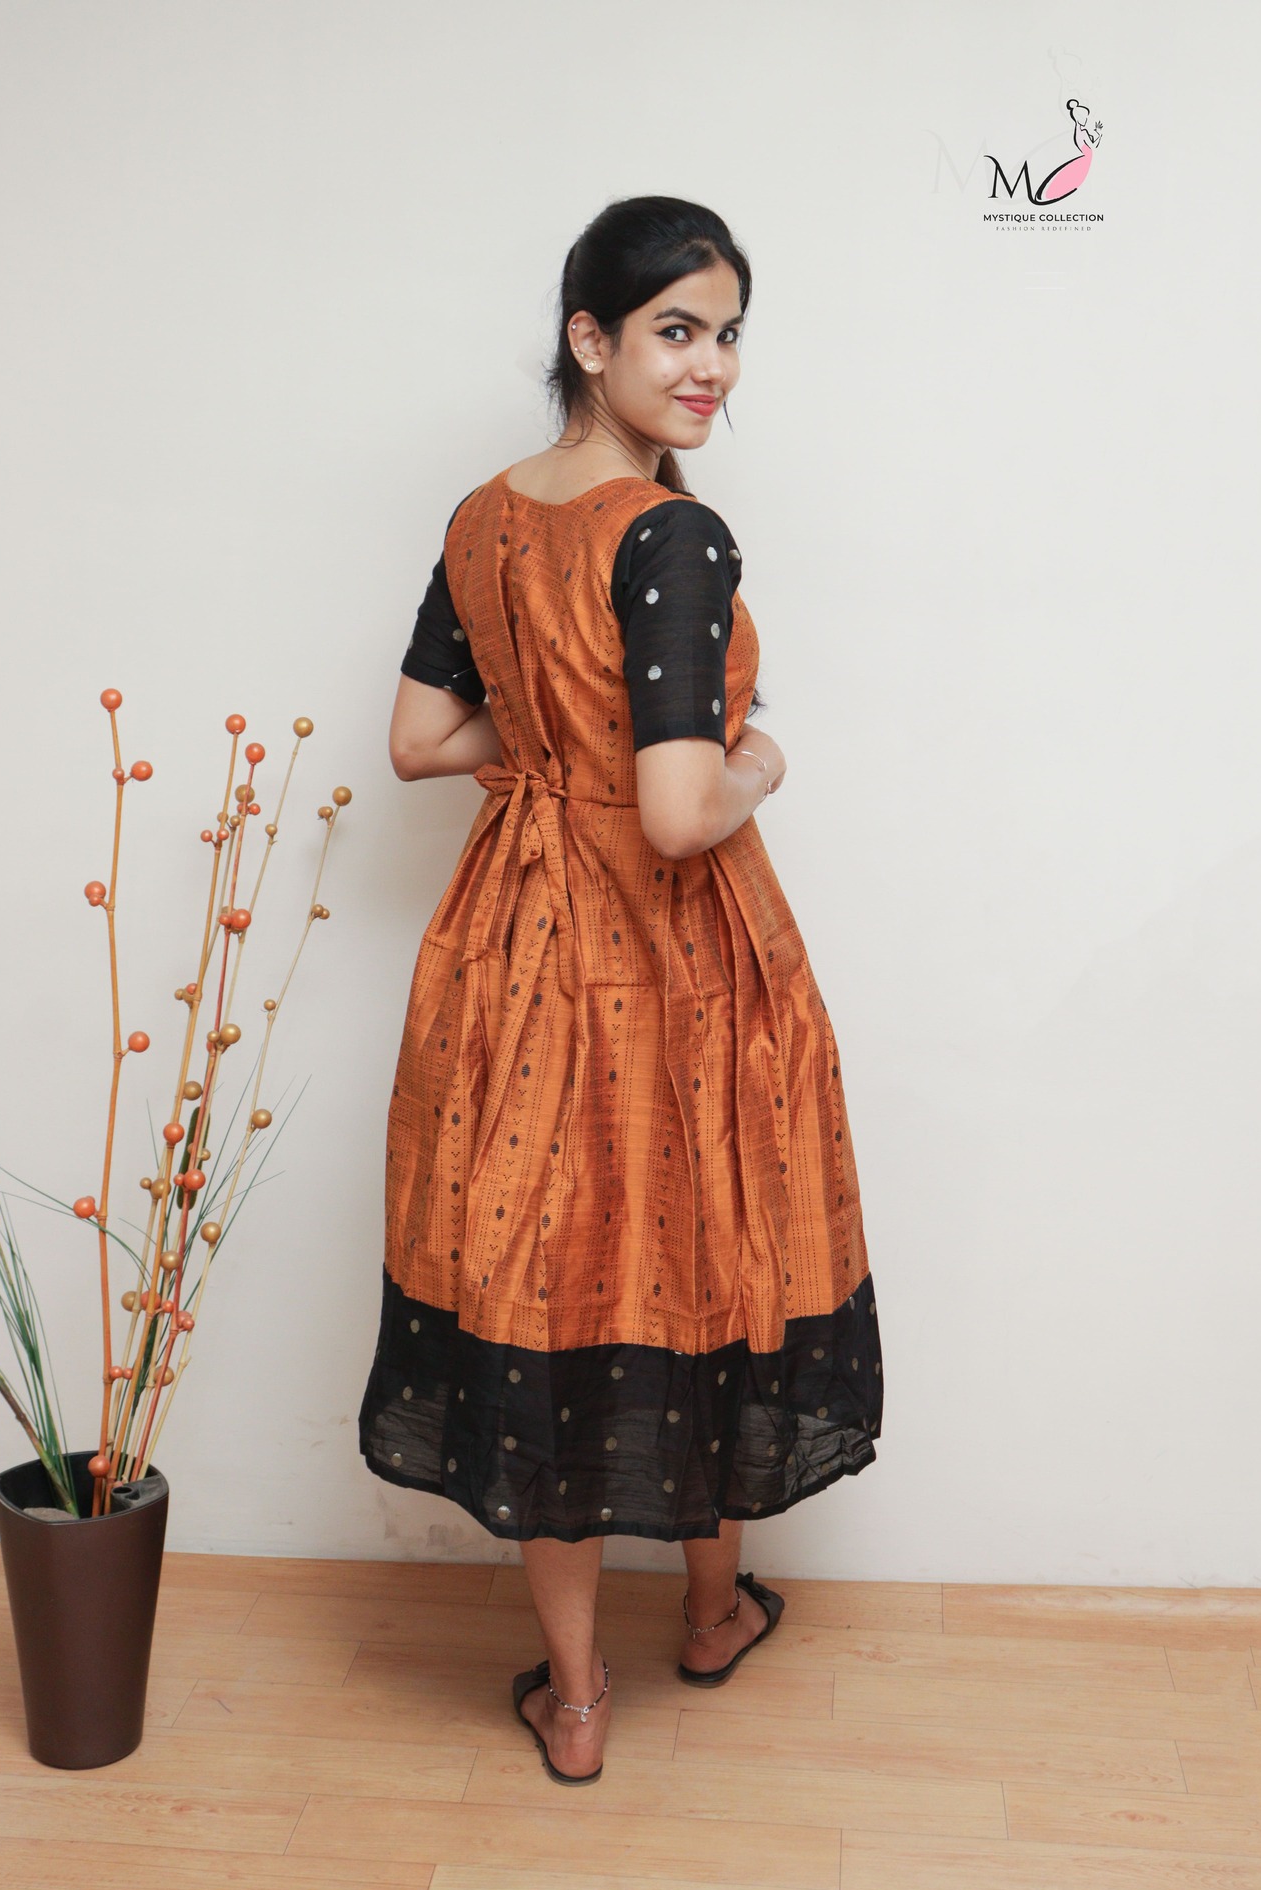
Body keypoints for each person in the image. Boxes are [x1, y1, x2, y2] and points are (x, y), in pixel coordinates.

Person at [359, 194, 883, 1784]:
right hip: (666, 958)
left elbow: (419, 739)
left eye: (727, 334)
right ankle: (710, 1615)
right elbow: (674, 813)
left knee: (553, 1279)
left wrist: (556, 747)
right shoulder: (668, 533)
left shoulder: (483, 516)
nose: (711, 365)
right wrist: (758, 762)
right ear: (588, 340)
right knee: (704, 1246)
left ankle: (575, 1700)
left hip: (511, 950)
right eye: (675, 330)